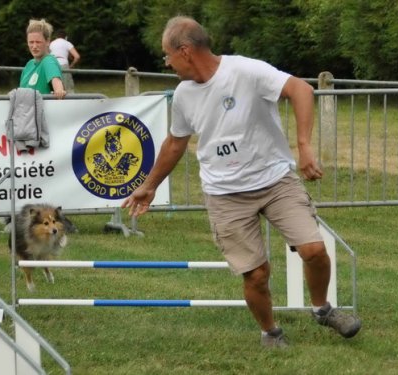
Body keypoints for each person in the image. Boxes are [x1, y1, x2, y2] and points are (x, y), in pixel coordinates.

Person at [122, 16, 361, 348]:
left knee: (314, 250)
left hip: (276, 180)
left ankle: (322, 310)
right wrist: (150, 185)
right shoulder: (184, 95)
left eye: (167, 55)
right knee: (257, 274)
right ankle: (270, 332)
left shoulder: (246, 71)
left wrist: (304, 146)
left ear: (186, 51)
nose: (166, 63)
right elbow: (175, 143)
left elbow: (301, 89)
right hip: (225, 195)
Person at [20, 19, 66, 99]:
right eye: (31, 42)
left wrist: (59, 90)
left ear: (48, 41)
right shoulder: (29, 64)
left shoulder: (48, 61)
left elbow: (56, 81)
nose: (34, 46)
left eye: (38, 42)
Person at [50, 29, 80, 93]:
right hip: (64, 64)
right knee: (68, 88)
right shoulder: (67, 43)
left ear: (56, 37)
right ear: (66, 37)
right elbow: (77, 57)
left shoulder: (52, 43)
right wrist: (71, 66)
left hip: (52, 65)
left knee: (54, 88)